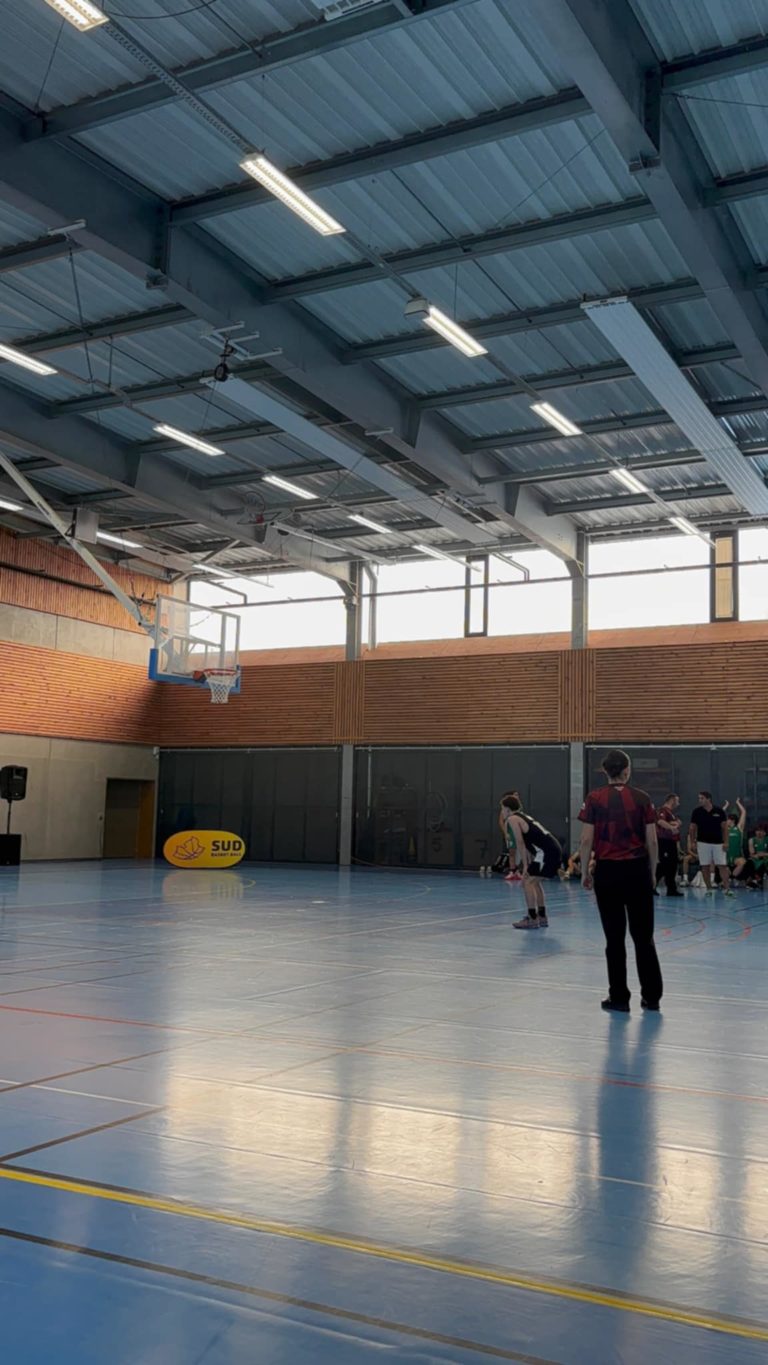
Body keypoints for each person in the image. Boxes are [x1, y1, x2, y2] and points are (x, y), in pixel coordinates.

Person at [579, 749, 662, 1013]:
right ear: (627, 770)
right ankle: (652, 997)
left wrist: (584, 871)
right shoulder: (642, 798)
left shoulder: (594, 799)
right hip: (637, 871)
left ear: (605, 771)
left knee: (614, 939)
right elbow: (652, 840)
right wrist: (652, 871)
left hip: (608, 873)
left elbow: (586, 839)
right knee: (644, 937)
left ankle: (619, 997)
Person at [499, 792, 562, 929]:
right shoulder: (524, 816)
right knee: (535, 882)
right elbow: (528, 845)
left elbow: (520, 842)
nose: (502, 812)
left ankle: (532, 918)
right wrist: (528, 862)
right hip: (551, 849)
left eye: (502, 809)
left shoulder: (512, 819)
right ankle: (542, 916)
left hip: (547, 852)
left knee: (527, 881)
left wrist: (526, 866)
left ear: (508, 809)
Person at [688, 792, 732, 895]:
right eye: (699, 798)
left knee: (722, 865)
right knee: (705, 866)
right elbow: (692, 828)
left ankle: (727, 889)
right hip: (702, 843)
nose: (700, 800)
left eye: (702, 798)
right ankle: (709, 889)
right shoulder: (696, 812)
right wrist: (692, 842)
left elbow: (725, 828)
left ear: (709, 799)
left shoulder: (719, 811)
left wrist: (726, 842)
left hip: (718, 843)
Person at [656, 793, 683, 897]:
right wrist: (671, 827)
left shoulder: (671, 813)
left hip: (671, 842)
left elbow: (675, 823)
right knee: (663, 865)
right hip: (664, 841)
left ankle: (671, 889)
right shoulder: (663, 810)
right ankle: (651, 886)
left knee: (672, 865)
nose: (678, 803)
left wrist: (677, 824)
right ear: (672, 800)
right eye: (677, 801)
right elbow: (660, 821)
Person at [498, 791, 523, 881]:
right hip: (511, 833)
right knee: (512, 852)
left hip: (519, 833)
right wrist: (506, 833)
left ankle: (518, 871)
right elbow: (501, 821)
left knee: (520, 853)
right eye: (515, 795)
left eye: (517, 795)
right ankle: (512, 871)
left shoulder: (520, 809)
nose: (517, 796)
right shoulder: (505, 809)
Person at [725, 798, 748, 883]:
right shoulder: (725, 829)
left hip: (737, 856)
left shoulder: (739, 828)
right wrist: (726, 806)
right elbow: (719, 815)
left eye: (727, 819)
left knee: (742, 862)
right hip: (726, 856)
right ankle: (726, 879)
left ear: (732, 820)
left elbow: (744, 812)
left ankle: (733, 878)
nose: (726, 821)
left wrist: (738, 803)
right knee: (720, 864)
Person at [747, 822, 768, 888]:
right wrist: (759, 854)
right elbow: (752, 853)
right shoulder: (751, 840)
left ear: (765, 832)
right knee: (749, 863)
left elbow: (761, 854)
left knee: (764, 864)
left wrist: (763, 854)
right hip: (755, 859)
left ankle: (755, 881)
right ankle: (757, 880)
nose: (759, 832)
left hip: (765, 859)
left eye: (761, 831)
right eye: (757, 830)